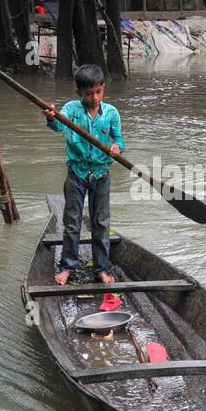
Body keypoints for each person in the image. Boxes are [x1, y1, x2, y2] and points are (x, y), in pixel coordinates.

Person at [45, 63, 124, 286]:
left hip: (101, 174)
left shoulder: (111, 113)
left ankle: (101, 267)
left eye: (98, 92)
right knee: (72, 222)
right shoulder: (71, 109)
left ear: (103, 89)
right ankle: (67, 267)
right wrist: (52, 117)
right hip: (77, 174)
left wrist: (117, 147)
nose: (94, 97)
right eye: (89, 93)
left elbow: (119, 140)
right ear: (79, 92)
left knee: (101, 222)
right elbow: (58, 126)